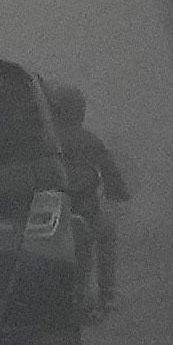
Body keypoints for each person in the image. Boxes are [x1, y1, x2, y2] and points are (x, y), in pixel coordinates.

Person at [45, 83, 130, 310]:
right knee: (108, 233)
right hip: (87, 213)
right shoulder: (91, 141)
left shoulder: (46, 139)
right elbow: (110, 171)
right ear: (80, 112)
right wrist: (118, 191)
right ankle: (107, 291)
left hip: (51, 213)